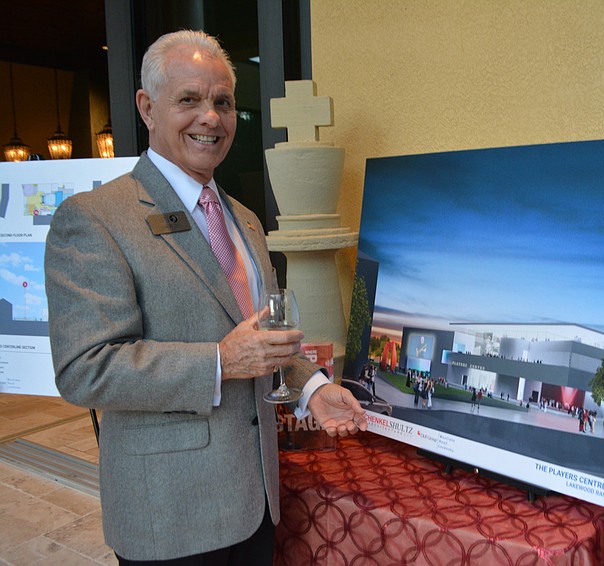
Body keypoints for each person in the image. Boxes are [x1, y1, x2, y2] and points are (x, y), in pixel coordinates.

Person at [44, 30, 367, 565]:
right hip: (169, 516)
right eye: (189, 99)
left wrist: (311, 387)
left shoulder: (246, 220)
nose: (211, 118)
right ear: (147, 107)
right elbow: (85, 369)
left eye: (224, 102)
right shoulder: (95, 219)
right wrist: (220, 361)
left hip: (256, 503)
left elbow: (260, 341)